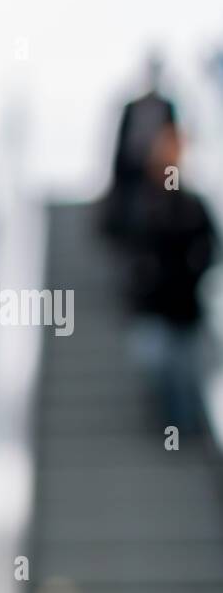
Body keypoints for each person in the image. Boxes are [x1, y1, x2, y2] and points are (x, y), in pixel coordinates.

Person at [125, 121, 217, 435]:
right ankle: (170, 430)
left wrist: (194, 270)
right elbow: (136, 247)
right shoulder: (146, 204)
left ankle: (183, 431)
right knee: (161, 366)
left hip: (185, 305)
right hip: (154, 304)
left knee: (186, 371)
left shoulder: (191, 204)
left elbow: (208, 246)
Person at [102, 54, 177, 245]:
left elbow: (172, 151)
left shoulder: (167, 108)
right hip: (133, 182)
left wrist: (172, 189)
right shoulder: (132, 108)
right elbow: (121, 154)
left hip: (158, 183)